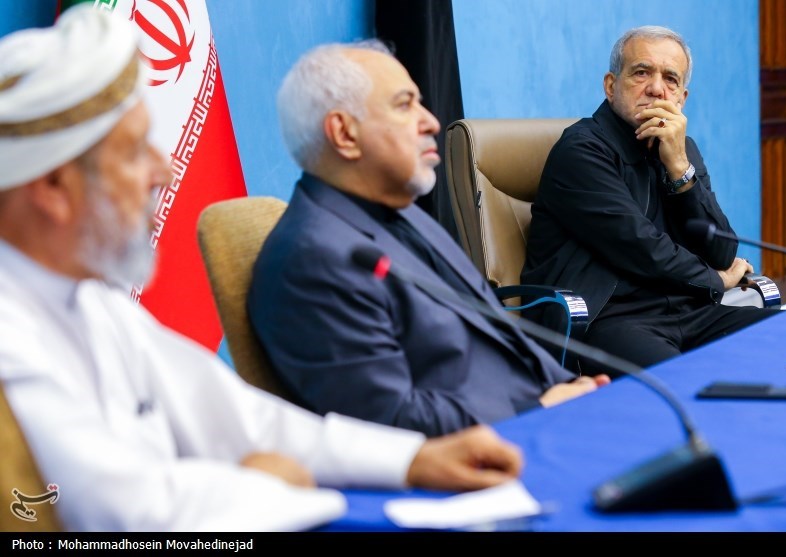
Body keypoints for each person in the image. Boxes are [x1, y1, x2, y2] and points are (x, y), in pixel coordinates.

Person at [0, 6, 528, 532]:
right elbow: (128, 517)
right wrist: (277, 482)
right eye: (136, 152)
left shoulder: (97, 304)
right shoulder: (12, 334)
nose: (164, 171)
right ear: (53, 187)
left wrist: (411, 461)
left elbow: (251, 422)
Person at [247, 40, 609, 438]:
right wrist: (537, 411)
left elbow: (499, 337)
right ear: (344, 133)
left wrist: (571, 387)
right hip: (494, 452)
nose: (432, 122)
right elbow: (388, 421)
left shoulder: (401, 210)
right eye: (405, 105)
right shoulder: (313, 260)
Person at [520, 26, 776, 377]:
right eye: (641, 72)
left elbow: (721, 250)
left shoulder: (682, 150)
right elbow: (640, 246)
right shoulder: (581, 150)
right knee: (685, 382)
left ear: (682, 98)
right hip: (609, 319)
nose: (657, 88)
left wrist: (679, 169)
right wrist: (717, 281)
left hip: (688, 313)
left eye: (670, 79)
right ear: (611, 86)